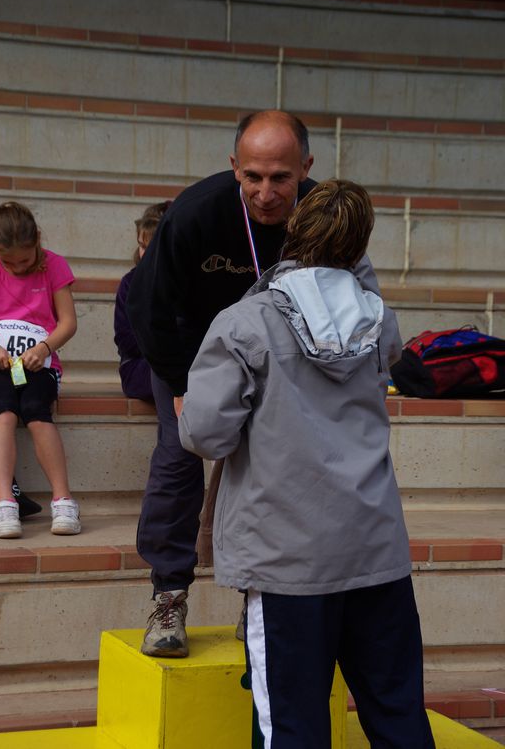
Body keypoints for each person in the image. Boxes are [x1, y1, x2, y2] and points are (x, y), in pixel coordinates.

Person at [178, 179, 435, 749]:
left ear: (294, 230)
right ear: (359, 242)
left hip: (287, 559)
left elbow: (204, 434)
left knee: (291, 728)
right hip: (375, 549)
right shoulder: (380, 322)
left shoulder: (247, 323)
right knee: (398, 717)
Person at [127, 110, 379, 658]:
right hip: (193, 360)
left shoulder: (323, 215)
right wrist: (176, 381)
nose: (266, 193)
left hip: (282, 363)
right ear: (234, 167)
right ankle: (168, 595)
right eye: (253, 177)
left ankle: (259, 598)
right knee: (177, 459)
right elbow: (145, 305)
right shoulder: (195, 213)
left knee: (276, 475)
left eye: (281, 178)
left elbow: (360, 297)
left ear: (305, 168)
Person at [0, 201, 80, 539]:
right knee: (1, 413)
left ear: (37, 242)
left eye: (24, 260)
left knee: (36, 411)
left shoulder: (53, 265)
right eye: (7, 261)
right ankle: (3, 503)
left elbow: (68, 323)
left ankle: (63, 499)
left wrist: (44, 348)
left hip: (39, 363)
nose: (16, 267)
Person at [114, 202, 171, 401]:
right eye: (141, 246)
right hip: (139, 367)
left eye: (151, 248)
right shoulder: (130, 284)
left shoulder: (183, 281)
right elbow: (125, 339)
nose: (144, 254)